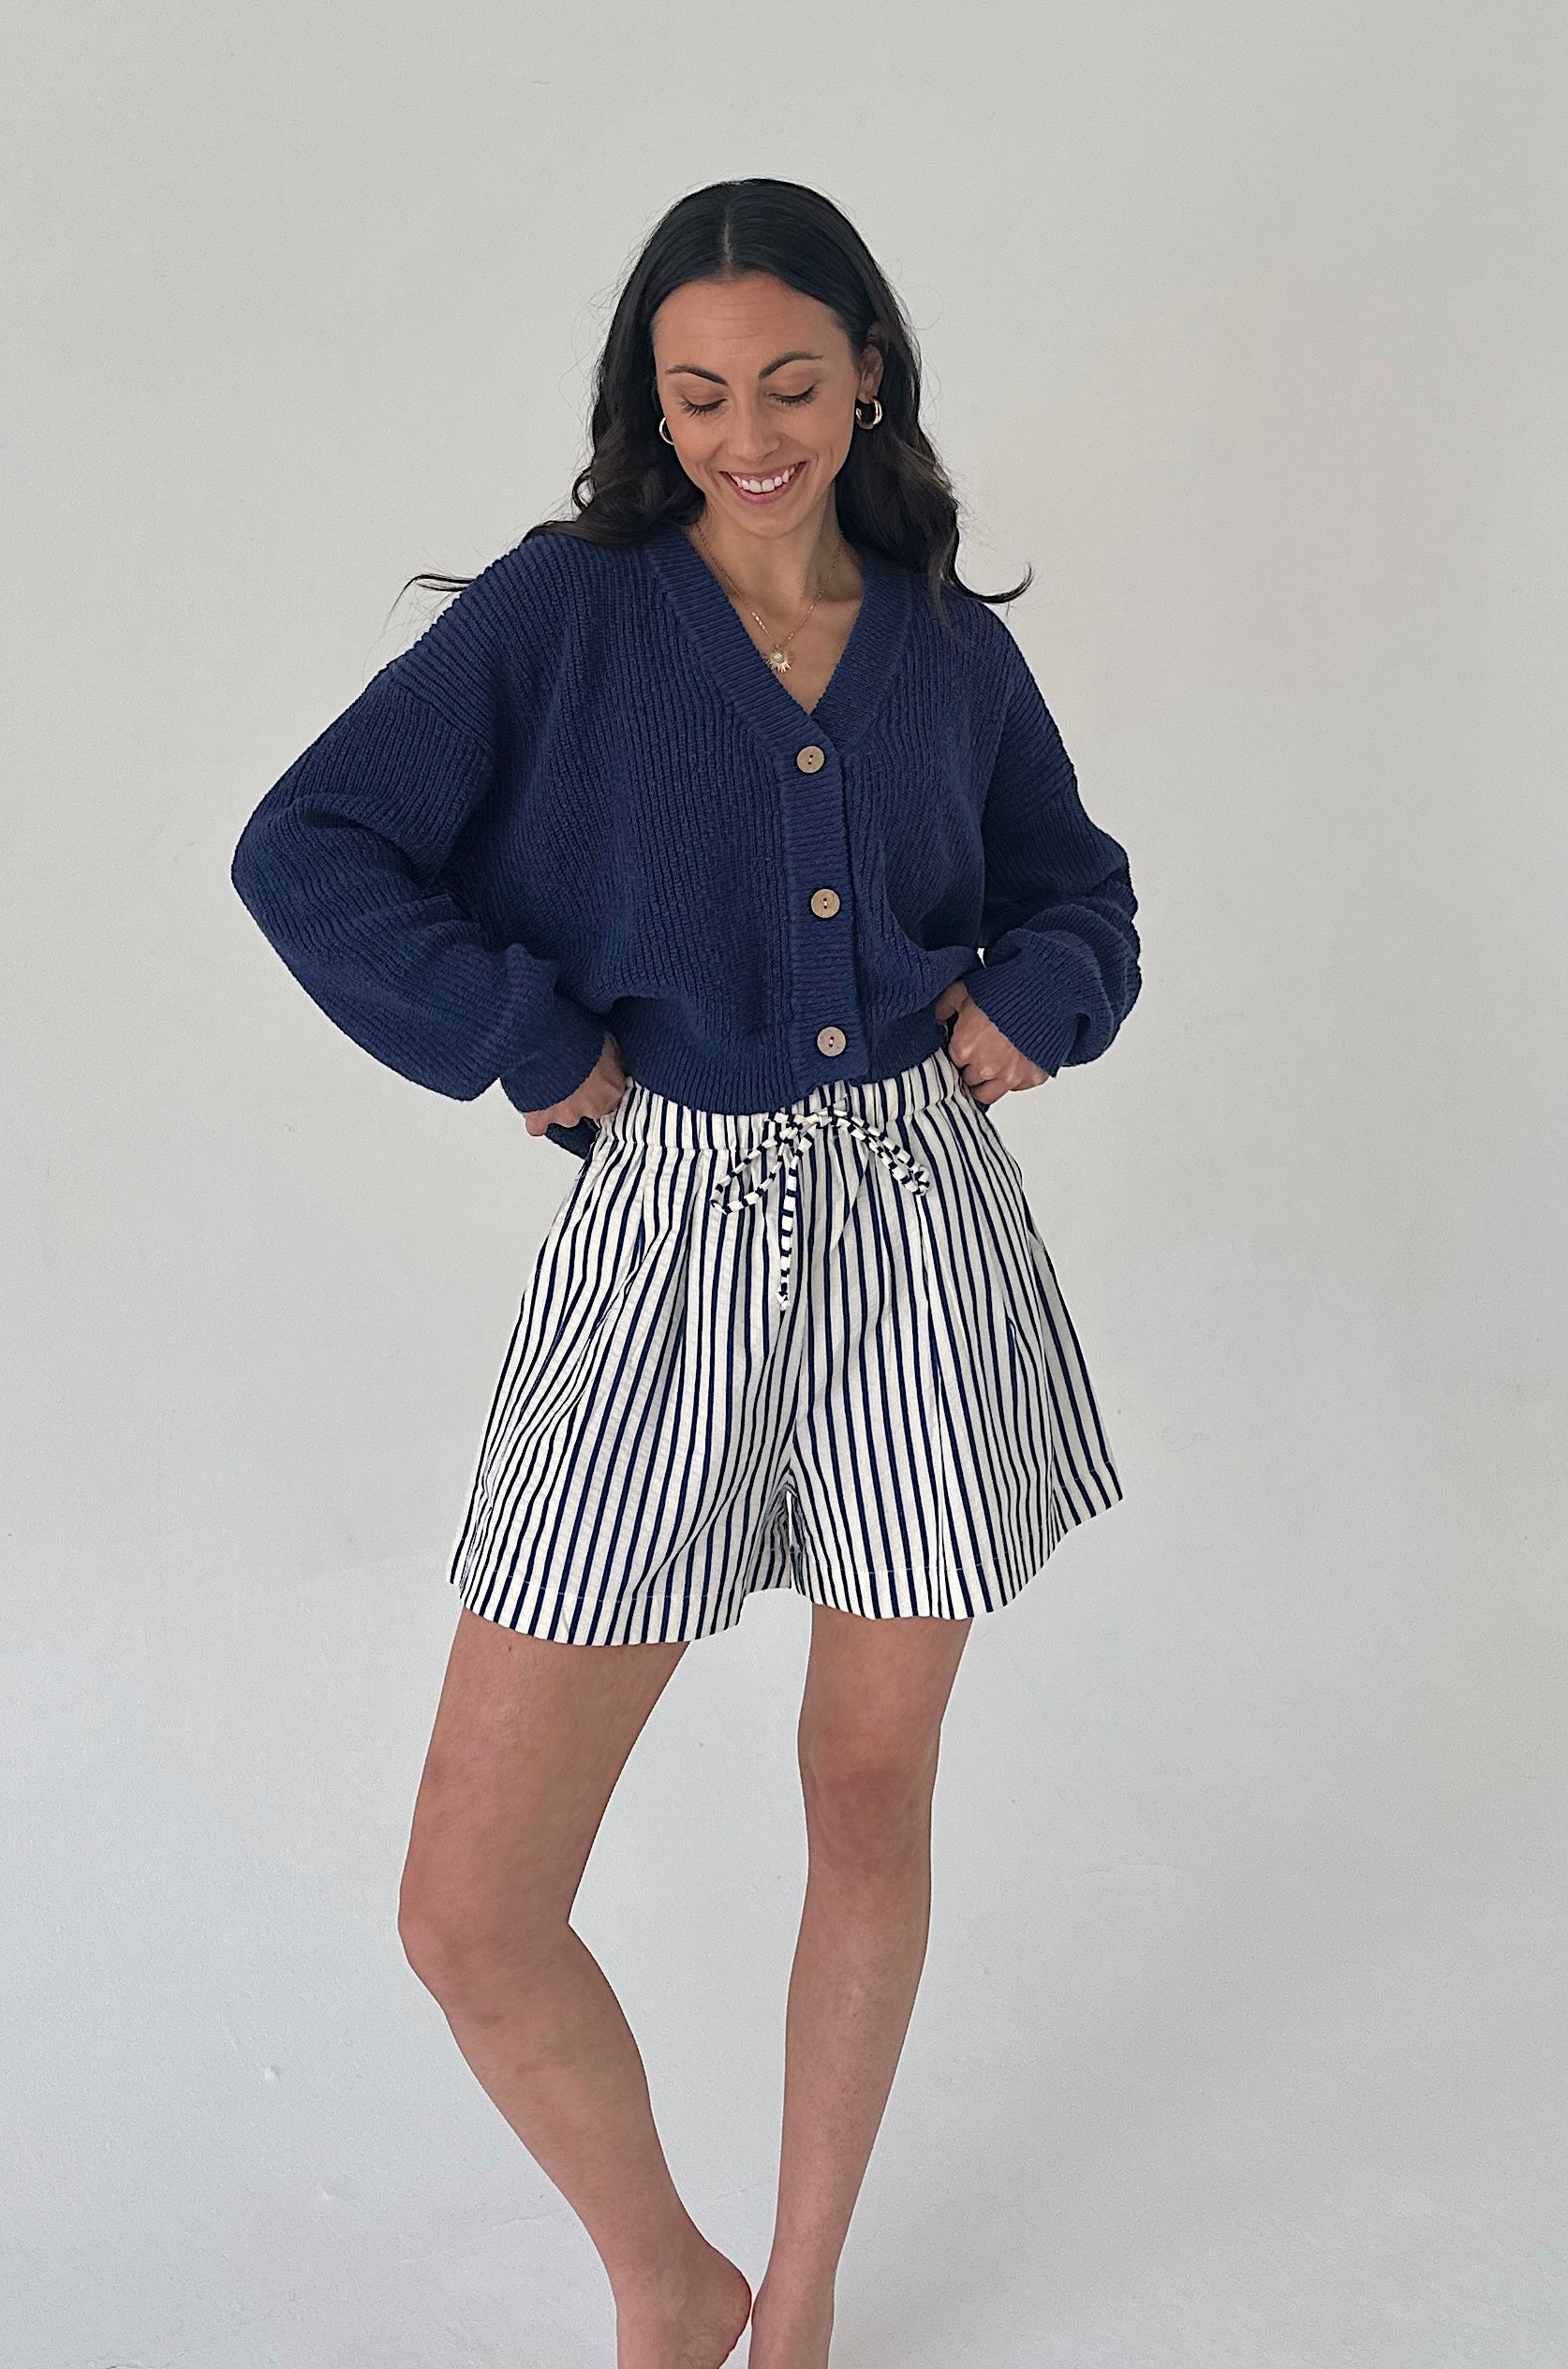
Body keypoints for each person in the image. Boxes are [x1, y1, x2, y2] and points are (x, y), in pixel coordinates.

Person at [230, 176, 1141, 2369]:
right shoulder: (568, 613)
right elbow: (308, 845)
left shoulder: (939, 634)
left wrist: (1048, 984)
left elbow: (1077, 881)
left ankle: (805, 2295)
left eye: (793, 384)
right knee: (471, 1908)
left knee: (864, 1791)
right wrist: (529, 1036)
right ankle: (670, 2271)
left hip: (921, 1232)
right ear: (652, 397)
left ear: (868, 379)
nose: (749, 429)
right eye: (700, 388)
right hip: (667, 1236)